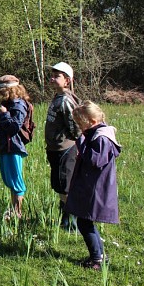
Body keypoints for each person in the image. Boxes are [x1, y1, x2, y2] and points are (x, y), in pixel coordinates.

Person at [65, 101, 121, 269]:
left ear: (92, 121)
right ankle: (99, 255)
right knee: (85, 221)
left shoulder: (102, 138)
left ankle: (97, 258)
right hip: (90, 185)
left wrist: (81, 143)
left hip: (95, 188)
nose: (80, 128)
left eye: (81, 124)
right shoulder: (96, 134)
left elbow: (95, 160)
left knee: (84, 222)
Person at [0, 75, 29, 218]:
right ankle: (14, 210)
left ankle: (18, 213)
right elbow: (6, 129)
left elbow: (13, 128)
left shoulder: (18, 105)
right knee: (9, 180)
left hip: (14, 148)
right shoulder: (10, 104)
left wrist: (4, 115)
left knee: (16, 181)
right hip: (6, 147)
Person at [45, 61, 81, 230]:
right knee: (60, 185)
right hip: (56, 148)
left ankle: (72, 222)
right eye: (52, 76)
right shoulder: (57, 97)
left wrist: (76, 144)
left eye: (56, 76)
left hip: (65, 149)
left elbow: (75, 127)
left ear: (67, 80)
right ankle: (66, 220)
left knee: (65, 186)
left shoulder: (66, 100)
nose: (52, 79)